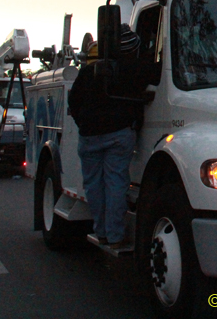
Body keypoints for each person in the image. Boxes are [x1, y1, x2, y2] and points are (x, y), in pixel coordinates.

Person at [68, 25, 158, 249]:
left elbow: (74, 102)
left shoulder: (90, 70)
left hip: (89, 136)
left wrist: (84, 124)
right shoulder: (137, 70)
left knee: (94, 186)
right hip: (119, 135)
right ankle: (115, 236)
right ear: (133, 48)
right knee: (116, 185)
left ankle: (101, 233)